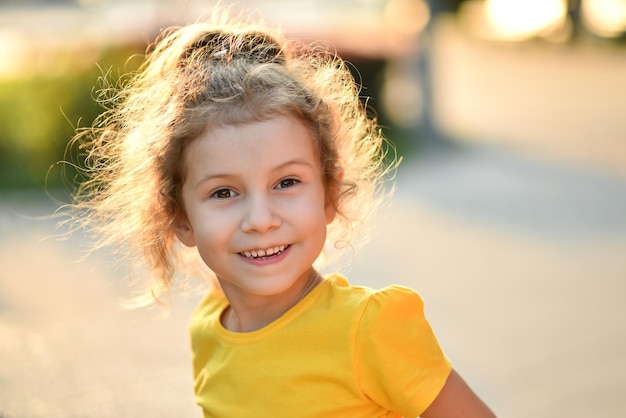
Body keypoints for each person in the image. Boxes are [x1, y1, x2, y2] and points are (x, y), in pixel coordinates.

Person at [66, 9, 495, 418]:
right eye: (224, 192)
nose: (261, 219)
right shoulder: (209, 331)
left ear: (328, 195)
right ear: (180, 219)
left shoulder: (368, 330)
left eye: (286, 183)